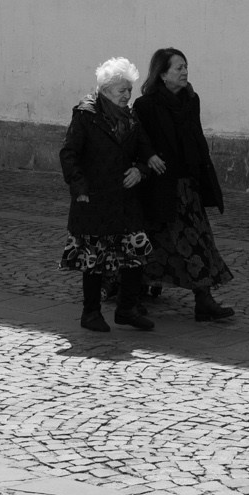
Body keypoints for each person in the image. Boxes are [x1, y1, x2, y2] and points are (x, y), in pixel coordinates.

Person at [59, 57, 167, 333]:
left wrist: (141, 170)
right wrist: (79, 187)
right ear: (106, 90)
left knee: (134, 251)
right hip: (94, 197)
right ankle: (91, 312)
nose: (128, 95)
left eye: (130, 90)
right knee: (93, 257)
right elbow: (69, 153)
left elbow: (144, 148)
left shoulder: (130, 118)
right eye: (122, 90)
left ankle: (127, 309)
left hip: (124, 198)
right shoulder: (86, 115)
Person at [134, 47, 235, 322]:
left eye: (185, 66)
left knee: (198, 241)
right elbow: (138, 140)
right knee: (155, 243)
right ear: (162, 74)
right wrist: (149, 156)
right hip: (160, 188)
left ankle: (203, 299)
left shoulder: (191, 100)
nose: (184, 72)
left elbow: (196, 137)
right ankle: (130, 293)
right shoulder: (146, 106)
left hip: (188, 187)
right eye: (178, 67)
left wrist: (205, 175)